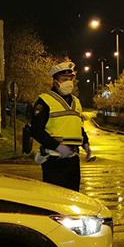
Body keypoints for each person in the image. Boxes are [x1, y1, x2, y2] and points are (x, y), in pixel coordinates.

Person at [30, 61, 92, 192]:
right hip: (54, 159)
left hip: (73, 160)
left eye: (70, 79)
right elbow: (36, 130)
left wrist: (85, 143)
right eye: (64, 79)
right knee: (56, 201)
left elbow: (78, 126)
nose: (68, 82)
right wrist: (57, 146)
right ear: (55, 81)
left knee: (73, 200)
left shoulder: (76, 101)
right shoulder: (45, 101)